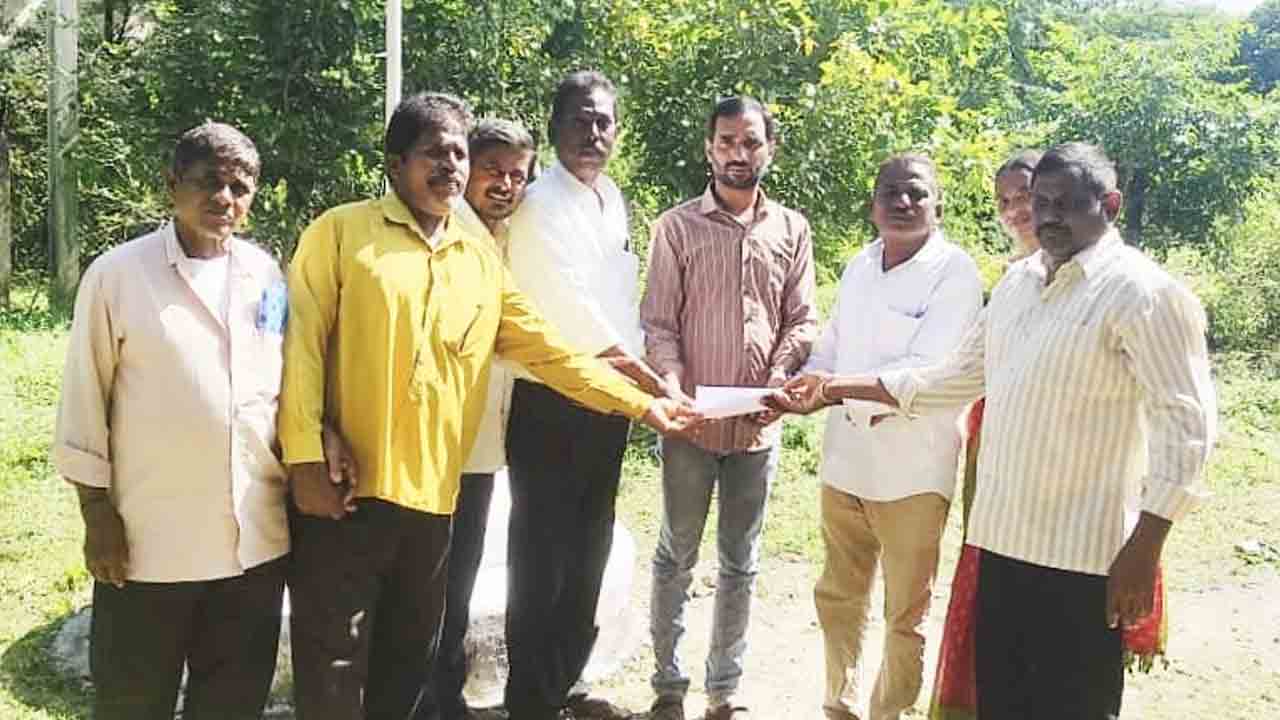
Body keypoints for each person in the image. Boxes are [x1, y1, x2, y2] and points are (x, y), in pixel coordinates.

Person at [279, 92, 697, 720]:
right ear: (395, 164)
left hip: (435, 497)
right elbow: (302, 348)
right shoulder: (341, 234)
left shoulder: (479, 261)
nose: (449, 166)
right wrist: (307, 456)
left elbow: (553, 353)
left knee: (405, 660)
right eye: (434, 153)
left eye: (456, 152)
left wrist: (641, 404)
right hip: (347, 490)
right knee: (334, 662)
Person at [768, 142, 1217, 720]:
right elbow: (952, 378)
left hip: (1084, 558)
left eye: (1067, 204)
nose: (1048, 216)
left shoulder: (1143, 293)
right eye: (1041, 202)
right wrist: (833, 388)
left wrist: (1147, 545)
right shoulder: (1019, 285)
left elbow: (1188, 426)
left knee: (1071, 707)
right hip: (1002, 546)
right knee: (1002, 702)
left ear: (1109, 204)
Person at [53, 122, 296, 719]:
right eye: (209, 182)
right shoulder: (118, 275)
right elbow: (86, 396)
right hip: (148, 545)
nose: (225, 199)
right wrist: (96, 513)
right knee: (134, 701)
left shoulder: (264, 273)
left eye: (241, 187)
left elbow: (282, 386)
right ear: (172, 185)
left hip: (252, 542)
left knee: (232, 702)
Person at [503, 70, 674, 720]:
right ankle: (529, 702)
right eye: (580, 119)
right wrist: (649, 386)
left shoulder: (612, 200)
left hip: (608, 403)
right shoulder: (539, 205)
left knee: (589, 553)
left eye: (604, 121)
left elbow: (619, 305)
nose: (593, 133)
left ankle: (562, 684)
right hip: (552, 400)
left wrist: (643, 377)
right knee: (541, 561)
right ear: (553, 127)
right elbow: (570, 315)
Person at [640, 96, 818, 720]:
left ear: (769, 147)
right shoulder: (677, 227)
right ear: (708, 148)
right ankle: (667, 685)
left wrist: (778, 377)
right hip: (690, 427)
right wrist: (671, 384)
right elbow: (659, 324)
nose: (738, 154)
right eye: (726, 142)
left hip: (757, 430)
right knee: (676, 554)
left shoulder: (792, 229)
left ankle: (725, 691)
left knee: (741, 562)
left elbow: (800, 319)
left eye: (750, 142)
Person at [803, 154, 982, 720]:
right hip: (846, 462)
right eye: (891, 193)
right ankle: (840, 705)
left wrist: (830, 389)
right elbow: (833, 341)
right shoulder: (860, 265)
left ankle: (890, 713)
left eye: (916, 193)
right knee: (838, 597)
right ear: (872, 203)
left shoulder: (956, 272)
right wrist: (804, 379)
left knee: (905, 612)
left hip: (915, 470)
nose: (903, 204)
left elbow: (926, 372)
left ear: (938, 204)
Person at [415, 118, 538, 720]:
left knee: (458, 578)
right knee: (432, 583)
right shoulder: (448, 236)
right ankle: (428, 699)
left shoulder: (508, 235)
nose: (505, 185)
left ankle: (445, 695)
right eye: (493, 171)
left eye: (518, 175)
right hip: (437, 445)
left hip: (484, 444)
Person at [927, 148, 1042, 720]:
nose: (1016, 211)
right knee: (991, 571)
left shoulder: (1104, 281)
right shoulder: (1014, 280)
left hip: (1059, 463)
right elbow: (963, 372)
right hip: (993, 441)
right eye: (1005, 202)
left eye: (1025, 196)